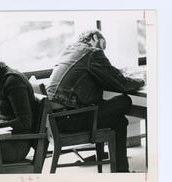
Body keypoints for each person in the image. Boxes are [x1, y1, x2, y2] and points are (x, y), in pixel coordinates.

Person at [46, 30, 145, 172]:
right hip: (70, 118)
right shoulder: (92, 52)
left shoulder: (70, 50)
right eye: (103, 45)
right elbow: (121, 84)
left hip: (56, 120)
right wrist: (142, 80)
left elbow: (101, 75)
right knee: (124, 101)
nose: (103, 50)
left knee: (119, 121)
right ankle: (121, 171)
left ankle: (121, 172)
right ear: (94, 37)